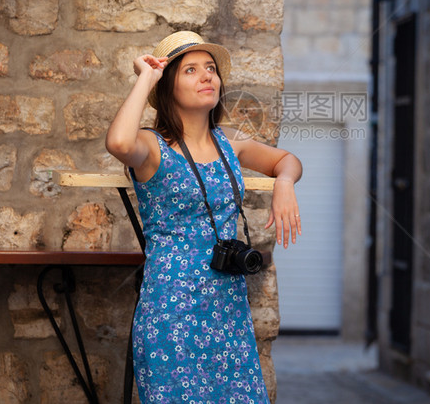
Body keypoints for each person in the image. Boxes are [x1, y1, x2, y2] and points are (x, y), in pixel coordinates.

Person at [105, 30, 303, 403]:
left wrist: (285, 183)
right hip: (172, 310)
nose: (207, 76)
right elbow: (118, 143)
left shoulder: (229, 142)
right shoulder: (151, 146)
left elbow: (287, 160)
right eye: (190, 70)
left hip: (227, 308)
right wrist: (146, 76)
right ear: (168, 87)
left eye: (210, 68)